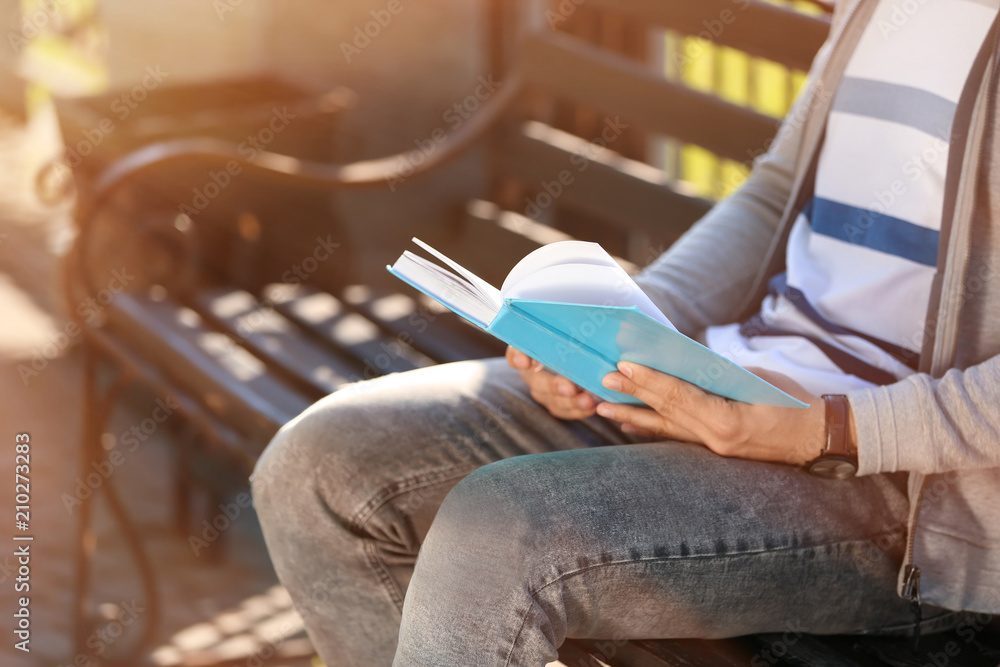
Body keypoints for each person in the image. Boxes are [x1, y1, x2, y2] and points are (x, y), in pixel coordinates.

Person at [251, 0, 1000, 664]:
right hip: (725, 386)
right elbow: (780, 191)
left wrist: (830, 427)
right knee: (319, 465)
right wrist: (629, 333)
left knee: (500, 533)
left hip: (910, 490)